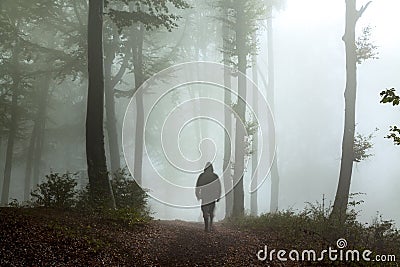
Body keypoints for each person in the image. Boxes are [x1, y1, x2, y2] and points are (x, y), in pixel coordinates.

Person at [195, 162, 221, 232]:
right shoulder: (215, 176)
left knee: (204, 210)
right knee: (211, 211)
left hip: (204, 196)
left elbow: (198, 186)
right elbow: (219, 187)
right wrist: (218, 196)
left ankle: (207, 226)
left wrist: (197, 194)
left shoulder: (202, 176)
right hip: (212, 196)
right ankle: (210, 225)